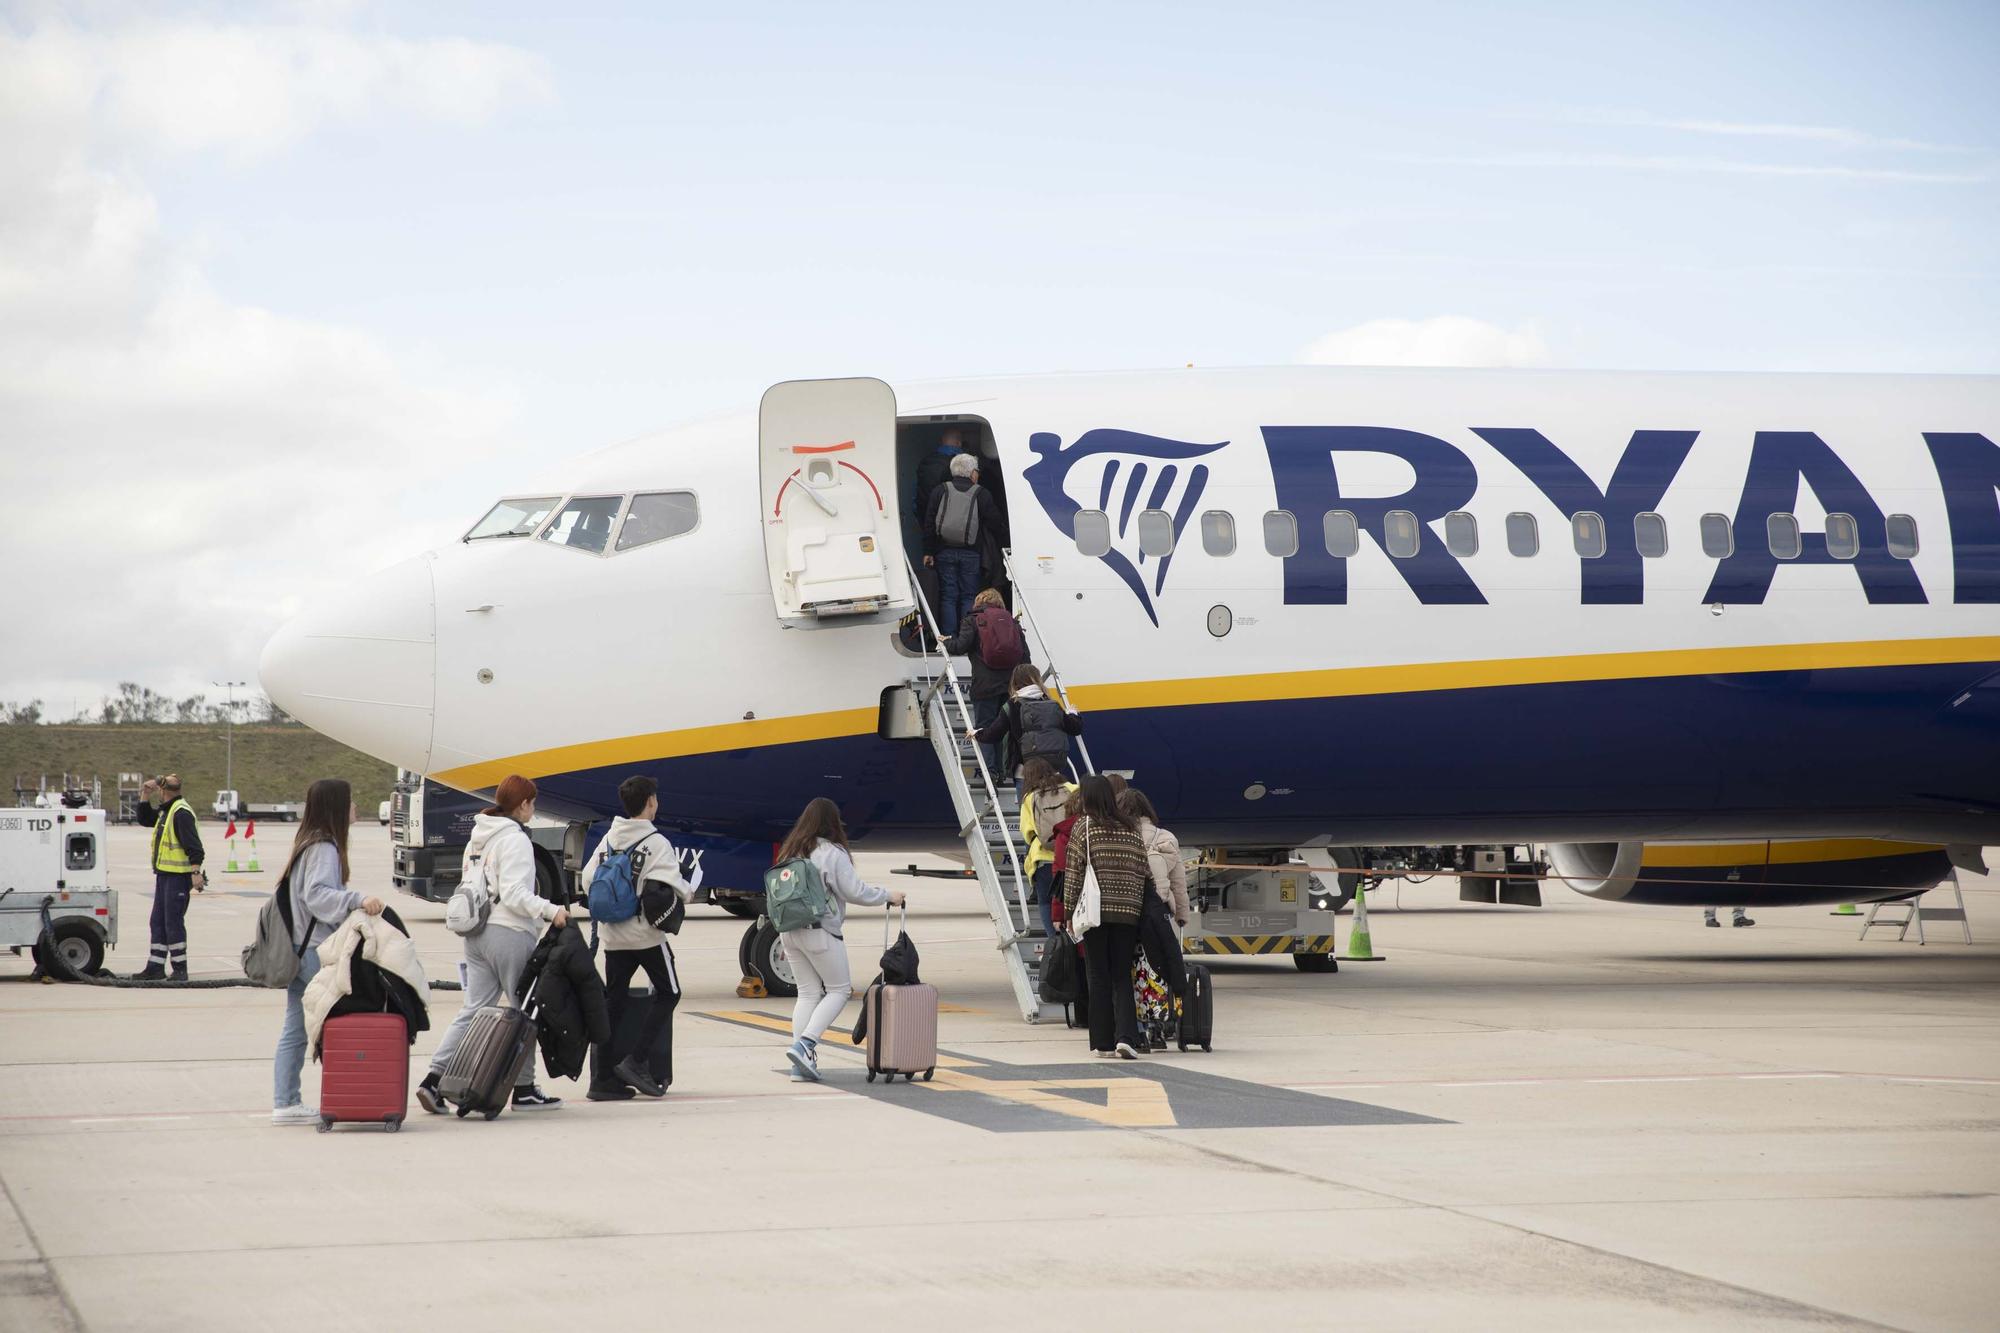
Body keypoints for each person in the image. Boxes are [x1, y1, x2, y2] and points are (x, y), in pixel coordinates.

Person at [417, 775, 569, 1114]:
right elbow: (515, 894)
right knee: (525, 1010)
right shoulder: (514, 840)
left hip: (476, 933)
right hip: (509, 932)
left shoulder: (478, 839)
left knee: (472, 1009)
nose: (534, 808)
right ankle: (525, 1089)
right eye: (533, 801)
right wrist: (551, 910)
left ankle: (433, 1079)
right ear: (523, 804)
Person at [272, 778, 384, 1125]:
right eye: (350, 802)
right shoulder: (324, 847)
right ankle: (311, 1098)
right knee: (326, 1022)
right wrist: (357, 899)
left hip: (299, 945)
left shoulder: (309, 841)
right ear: (336, 806)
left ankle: (286, 1100)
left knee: (296, 1025)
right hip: (311, 950)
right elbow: (317, 895)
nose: (355, 808)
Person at [773, 797, 906, 1082]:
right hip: (820, 931)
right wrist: (887, 895)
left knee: (807, 993)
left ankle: (800, 1065)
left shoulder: (791, 850)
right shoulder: (832, 853)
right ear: (833, 823)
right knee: (839, 990)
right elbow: (854, 891)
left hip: (788, 932)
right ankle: (805, 1044)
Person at [578, 775, 689, 1101]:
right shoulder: (656, 843)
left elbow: (587, 879)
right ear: (651, 802)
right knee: (669, 993)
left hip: (613, 937)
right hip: (646, 936)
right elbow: (679, 886)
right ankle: (636, 1061)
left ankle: (602, 1079)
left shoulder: (610, 839)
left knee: (613, 1003)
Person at [1062, 775, 1150, 1060]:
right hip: (1128, 911)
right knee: (1121, 975)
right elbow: (1143, 871)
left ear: (1087, 798)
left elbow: (1074, 872)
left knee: (1097, 974)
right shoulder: (1131, 829)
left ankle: (1103, 1042)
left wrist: (1068, 912)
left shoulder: (1084, 827)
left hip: (1095, 912)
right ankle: (1126, 1037)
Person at [944, 588, 1028, 777]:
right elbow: (1025, 656)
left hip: (984, 686)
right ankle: (1007, 769)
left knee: (985, 727)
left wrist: (946, 641)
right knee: (1006, 728)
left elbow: (960, 646)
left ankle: (990, 772)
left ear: (978, 601)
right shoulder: (1012, 622)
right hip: (1010, 687)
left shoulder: (973, 620)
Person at [1119, 787, 1190, 1006]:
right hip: (1159, 912)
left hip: (1128, 912)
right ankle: (1161, 1010)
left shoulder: (1121, 836)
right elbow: (1179, 882)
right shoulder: (1166, 837)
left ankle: (1135, 1014)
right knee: (1157, 962)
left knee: (1128, 966)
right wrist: (1181, 915)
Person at [132, 774, 205, 980]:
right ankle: (155, 967)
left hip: (178, 877)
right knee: (158, 921)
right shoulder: (168, 811)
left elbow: (194, 846)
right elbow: (146, 819)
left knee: (173, 922)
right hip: (164, 876)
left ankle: (180, 969)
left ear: (163, 791)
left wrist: (196, 872)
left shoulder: (181, 813)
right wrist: (145, 795)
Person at [924, 452, 1005, 637]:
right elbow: (995, 521)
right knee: (969, 596)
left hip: (943, 551)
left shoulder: (940, 490)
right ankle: (967, 636)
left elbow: (929, 523)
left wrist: (928, 551)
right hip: (971, 553)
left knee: (948, 596)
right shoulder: (981, 493)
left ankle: (948, 637)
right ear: (972, 473)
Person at [970, 664, 1083, 793]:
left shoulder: (1012, 705)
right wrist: (1073, 713)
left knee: (1028, 811)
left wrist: (976, 733)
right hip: (1051, 771)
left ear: (1015, 682)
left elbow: (993, 734)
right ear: (1037, 680)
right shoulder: (1052, 704)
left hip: (1024, 772)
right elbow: (1075, 728)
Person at [1020, 759, 1076, 940]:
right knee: (1073, 901)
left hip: (1044, 859)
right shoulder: (1072, 788)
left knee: (1045, 902)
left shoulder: (1030, 797)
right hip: (1072, 857)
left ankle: (1056, 944)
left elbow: (1027, 832)